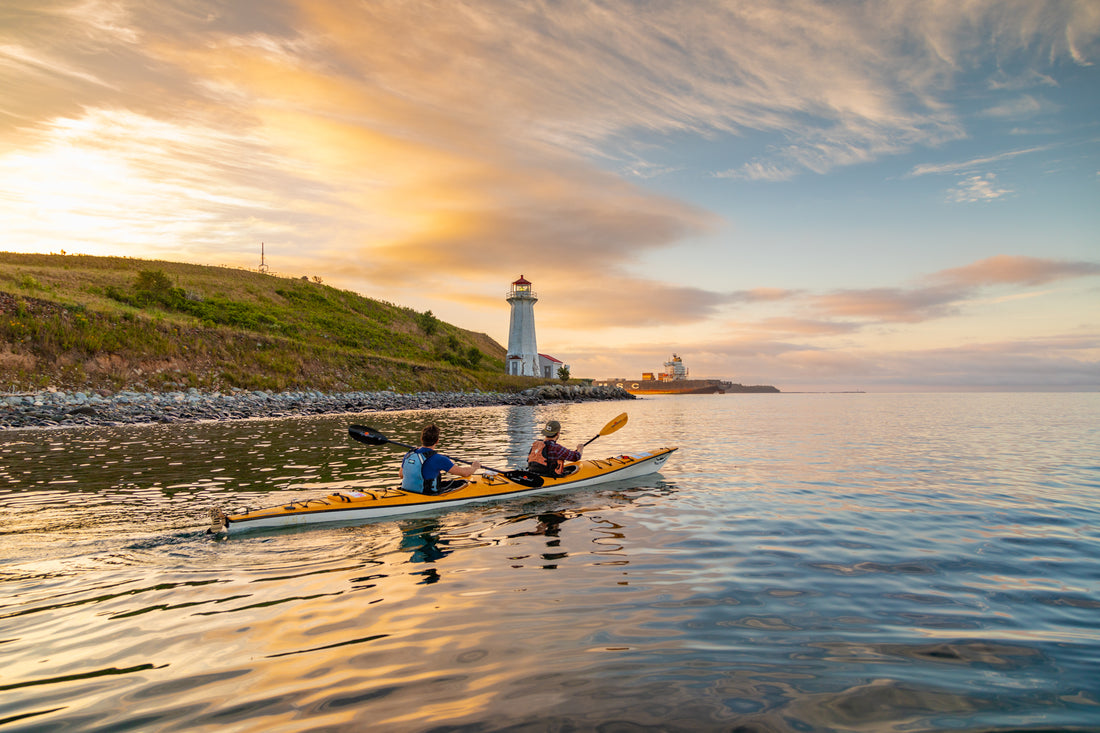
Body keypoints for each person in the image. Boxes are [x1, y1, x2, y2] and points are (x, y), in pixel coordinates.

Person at [399, 424, 480, 495]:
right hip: (426, 494)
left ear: (421, 439)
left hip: (407, 491)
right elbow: (465, 473)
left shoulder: (409, 454)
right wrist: (474, 467)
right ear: (437, 441)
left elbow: (401, 475)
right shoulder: (439, 459)